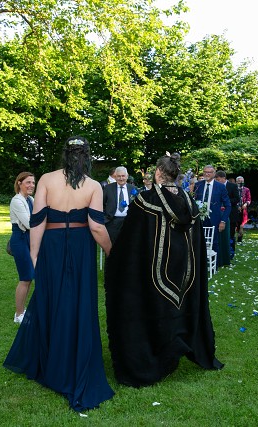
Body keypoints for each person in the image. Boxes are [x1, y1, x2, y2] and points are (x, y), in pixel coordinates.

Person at [3, 136, 114, 411]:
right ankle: (72, 358)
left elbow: (38, 220)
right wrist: (112, 251)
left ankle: (51, 361)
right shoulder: (93, 186)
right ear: (86, 156)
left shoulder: (46, 179)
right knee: (77, 301)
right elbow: (96, 227)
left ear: (65, 155)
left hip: (51, 246)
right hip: (80, 247)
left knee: (50, 298)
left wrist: (34, 254)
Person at [104, 152, 223, 387]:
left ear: (158, 172)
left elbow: (130, 239)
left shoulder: (145, 201)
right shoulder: (189, 202)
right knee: (178, 305)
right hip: (184, 272)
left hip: (152, 271)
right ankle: (178, 342)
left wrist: (117, 259)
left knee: (151, 304)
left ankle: (153, 354)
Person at [10, 172, 35, 324]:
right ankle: (18, 314)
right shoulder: (17, 201)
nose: (31, 185)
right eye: (28, 182)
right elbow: (30, 224)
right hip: (20, 239)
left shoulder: (30, 199)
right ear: (19, 183)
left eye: (33, 182)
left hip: (29, 239)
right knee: (25, 277)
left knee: (29, 277)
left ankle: (22, 310)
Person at [194, 165, 231, 266]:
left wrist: (223, 221)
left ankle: (214, 265)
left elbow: (228, 205)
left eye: (209, 172)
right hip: (199, 219)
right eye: (205, 172)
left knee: (214, 242)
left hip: (214, 219)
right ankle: (199, 264)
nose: (206, 174)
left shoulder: (220, 187)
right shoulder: (198, 185)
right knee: (198, 241)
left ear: (214, 174)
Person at [103, 166, 137, 244]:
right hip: (112, 222)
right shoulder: (108, 188)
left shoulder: (133, 189)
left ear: (127, 176)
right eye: (118, 176)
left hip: (128, 221)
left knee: (128, 245)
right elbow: (102, 204)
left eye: (123, 176)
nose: (121, 178)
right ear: (115, 177)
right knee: (111, 247)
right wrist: (105, 217)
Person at [215, 170, 239, 260]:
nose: (217, 181)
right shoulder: (216, 187)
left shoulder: (233, 186)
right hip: (219, 214)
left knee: (231, 234)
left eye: (218, 179)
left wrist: (226, 202)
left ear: (223, 178)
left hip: (231, 213)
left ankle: (231, 253)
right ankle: (221, 252)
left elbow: (237, 199)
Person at [236, 176, 251, 242]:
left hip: (243, 210)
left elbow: (249, 199)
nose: (241, 182)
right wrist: (237, 206)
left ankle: (240, 239)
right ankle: (233, 238)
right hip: (235, 209)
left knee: (241, 224)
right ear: (236, 182)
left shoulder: (246, 190)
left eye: (242, 181)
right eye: (239, 181)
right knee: (235, 224)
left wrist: (245, 204)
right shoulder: (234, 189)